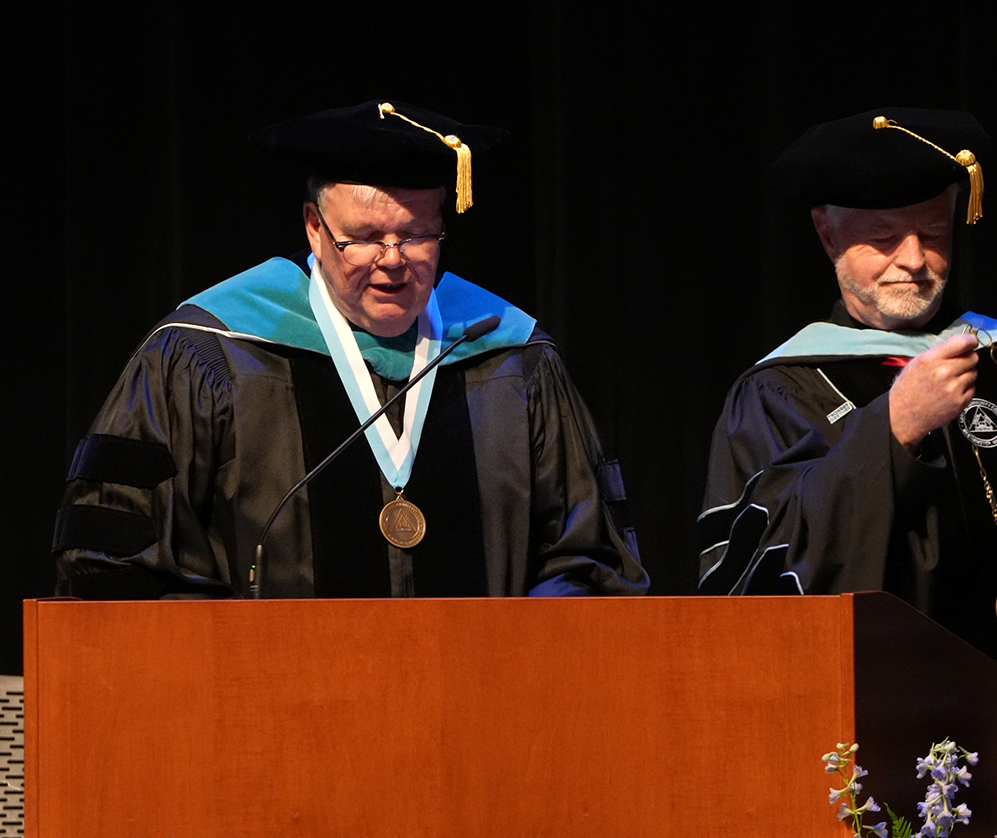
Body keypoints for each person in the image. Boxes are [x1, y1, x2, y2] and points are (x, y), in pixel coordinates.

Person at [697, 107, 997, 819]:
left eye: (935, 234)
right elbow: (752, 594)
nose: (914, 260)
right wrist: (888, 430)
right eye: (883, 238)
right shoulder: (777, 392)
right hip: (870, 749)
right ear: (827, 233)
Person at [54, 100, 648, 600]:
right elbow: (117, 564)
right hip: (261, 713)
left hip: (481, 715)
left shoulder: (511, 357)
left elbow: (589, 559)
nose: (393, 261)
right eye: (364, 237)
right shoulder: (209, 353)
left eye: (417, 235)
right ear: (314, 226)